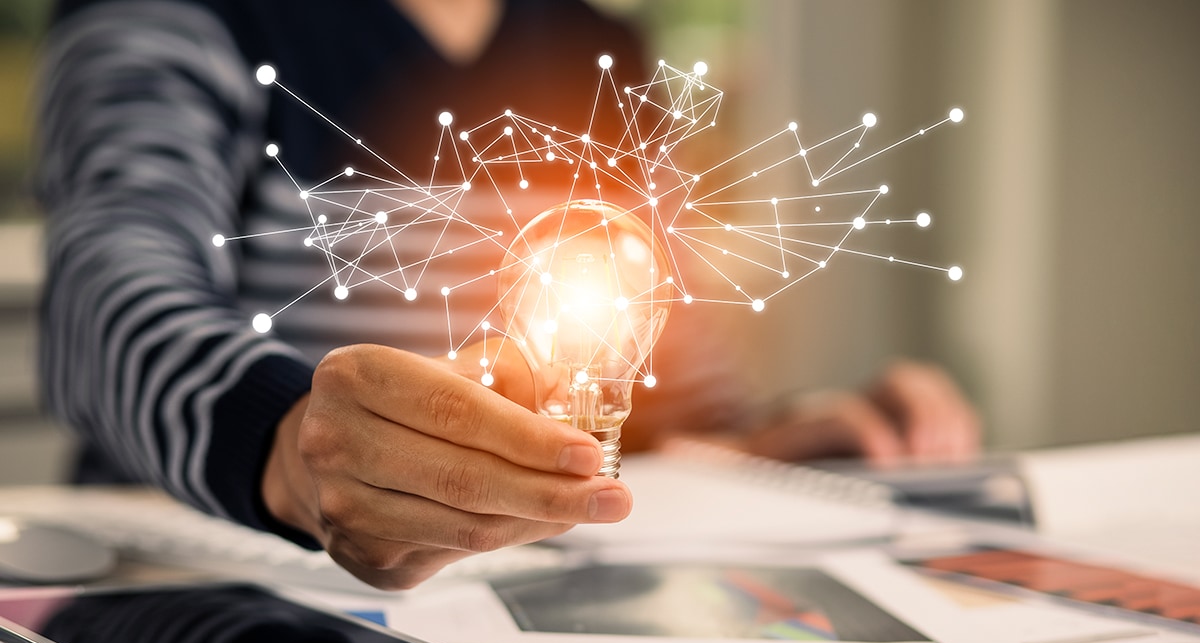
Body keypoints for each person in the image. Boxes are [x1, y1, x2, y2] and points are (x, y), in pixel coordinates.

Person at [36, 0, 979, 591]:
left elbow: (669, 401)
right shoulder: (177, 21)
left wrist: (786, 447)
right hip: (203, 600)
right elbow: (104, 307)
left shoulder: (602, 49)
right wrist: (292, 448)